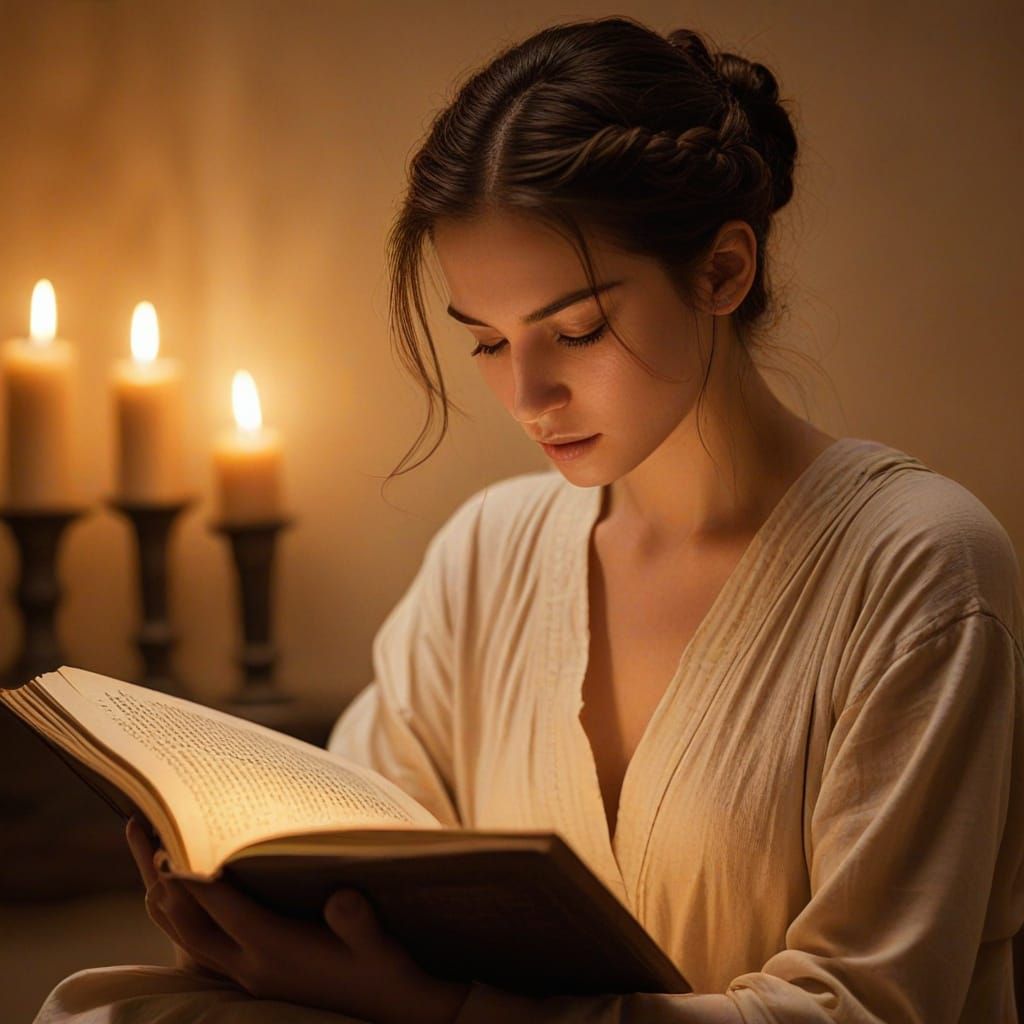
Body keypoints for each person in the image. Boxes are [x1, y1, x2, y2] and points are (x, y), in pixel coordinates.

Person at [35, 15, 1023, 1024]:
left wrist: (445, 1008)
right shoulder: (489, 553)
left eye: (577, 329)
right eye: (487, 343)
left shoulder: (917, 566)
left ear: (724, 271)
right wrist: (244, 914)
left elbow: (860, 1006)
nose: (528, 395)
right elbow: (353, 859)